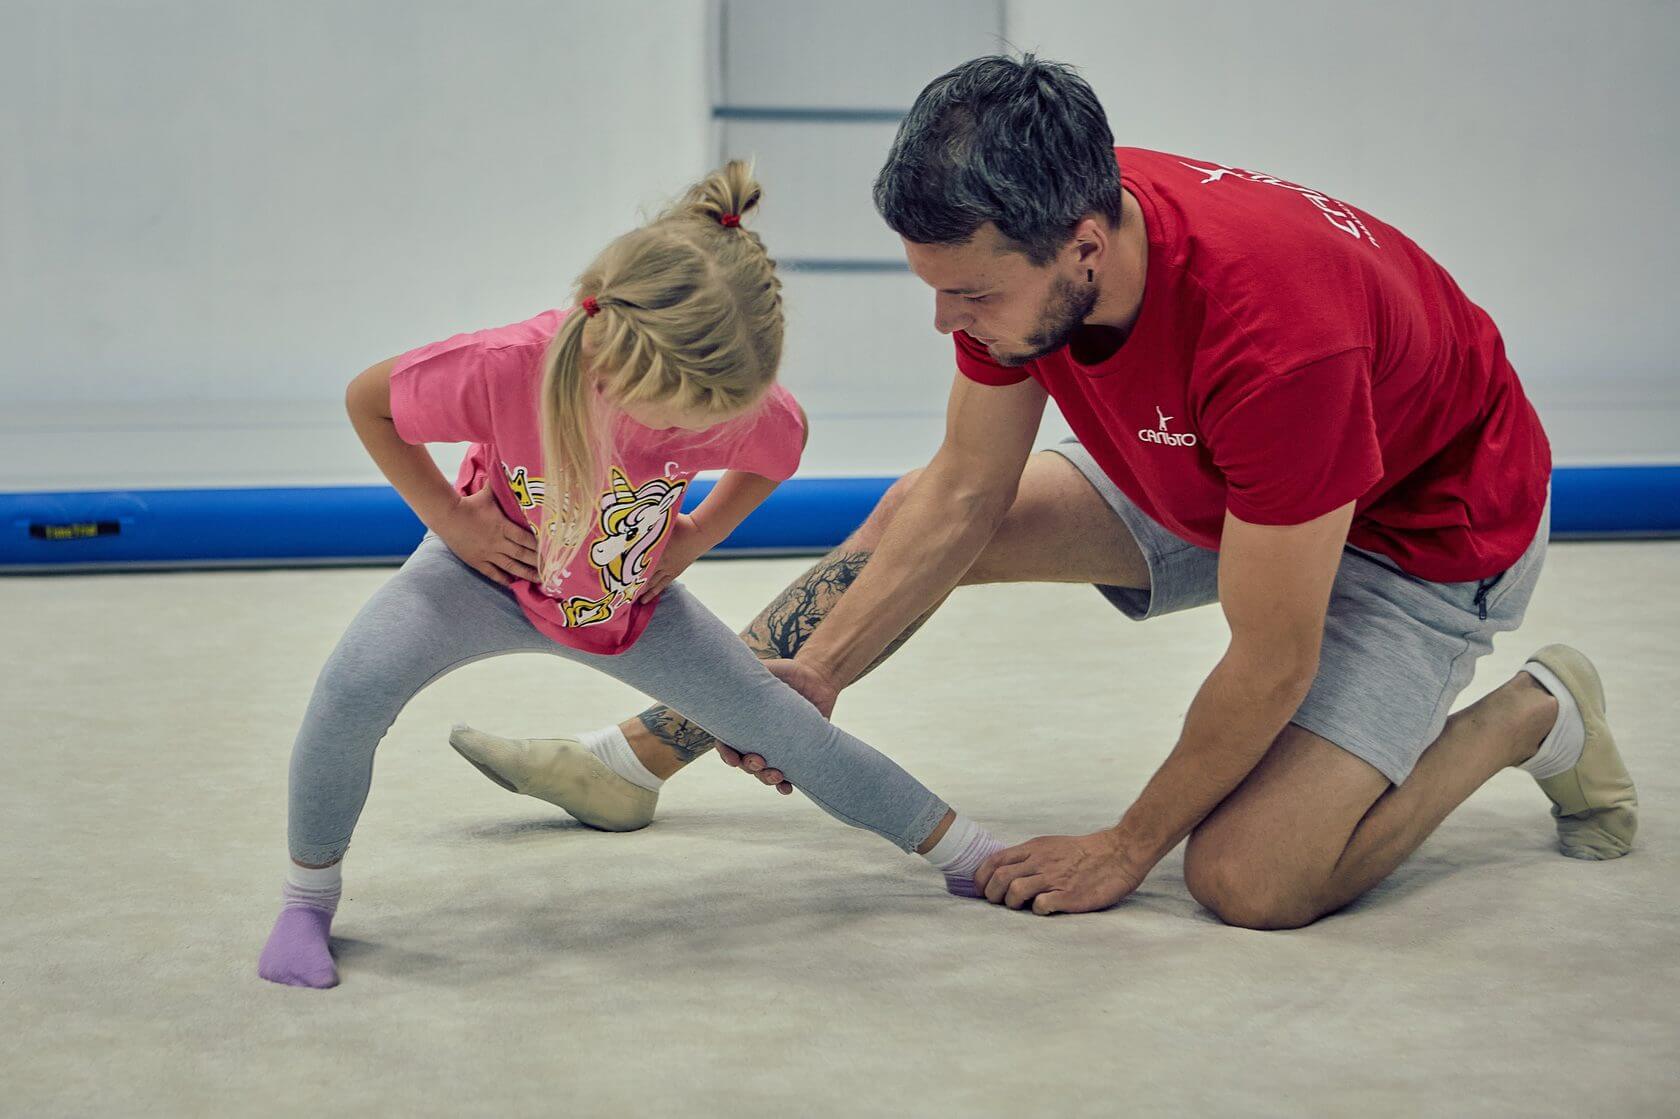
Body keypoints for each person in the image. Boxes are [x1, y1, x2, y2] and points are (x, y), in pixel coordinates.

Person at [459, 58, 1636, 931]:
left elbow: (1272, 655)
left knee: (1250, 883)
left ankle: (1533, 714)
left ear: (1083, 242)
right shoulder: (1033, 254)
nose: (944, 322)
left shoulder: (1280, 341)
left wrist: (1127, 846)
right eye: (935, 289)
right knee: (920, 503)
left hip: (1417, 531)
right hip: (1220, 476)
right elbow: (967, 492)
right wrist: (825, 668)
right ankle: (632, 761)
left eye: (969, 298)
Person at [257, 163, 1005, 989]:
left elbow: (775, 454)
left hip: (628, 604)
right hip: (481, 577)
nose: (695, 434)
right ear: (615, 355)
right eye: (680, 416)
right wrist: (452, 519)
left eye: (709, 422)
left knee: (784, 723)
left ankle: (965, 851)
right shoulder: (510, 365)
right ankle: (305, 898)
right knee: (349, 692)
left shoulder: (738, 405)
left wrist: (692, 536)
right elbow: (371, 401)